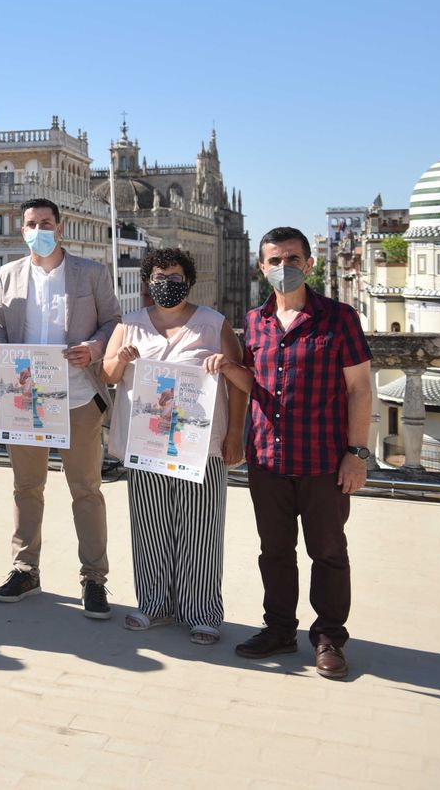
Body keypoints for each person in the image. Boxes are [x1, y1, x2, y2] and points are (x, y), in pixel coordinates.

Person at [214, 227, 373, 680]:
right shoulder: (256, 320)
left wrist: (356, 453)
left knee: (328, 552)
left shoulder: (339, 317)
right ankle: (280, 629)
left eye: (292, 258)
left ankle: (328, 638)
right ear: (261, 268)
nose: (284, 267)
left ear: (309, 263)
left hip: (323, 460)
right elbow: (256, 384)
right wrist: (230, 368)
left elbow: (361, 389)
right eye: (274, 260)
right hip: (267, 459)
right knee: (275, 551)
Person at [101, 247, 247, 644]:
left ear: (189, 280)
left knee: (201, 530)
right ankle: (153, 605)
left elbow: (242, 384)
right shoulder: (128, 325)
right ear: (148, 283)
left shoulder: (214, 324)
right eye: (160, 278)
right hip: (146, 445)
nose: (167, 284)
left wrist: (235, 437)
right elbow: (109, 374)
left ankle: (202, 612)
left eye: (175, 277)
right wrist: (122, 360)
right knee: (150, 528)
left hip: (200, 448)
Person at [0, 198, 120, 618]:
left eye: (45, 222)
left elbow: (114, 321)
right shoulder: (7, 274)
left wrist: (95, 347)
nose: (38, 229)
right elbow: (0, 324)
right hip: (26, 400)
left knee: (86, 490)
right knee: (27, 489)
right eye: (30, 223)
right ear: (21, 230)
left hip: (78, 398)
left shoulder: (92, 273)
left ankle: (94, 578)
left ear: (60, 229)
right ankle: (25, 569)